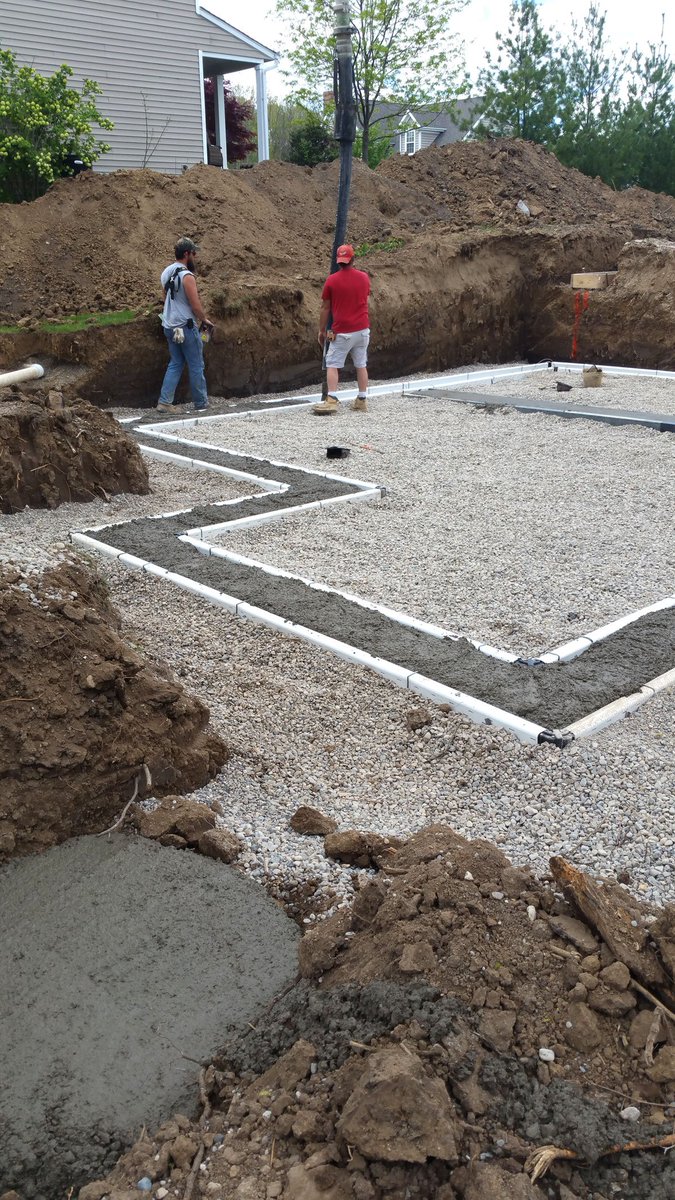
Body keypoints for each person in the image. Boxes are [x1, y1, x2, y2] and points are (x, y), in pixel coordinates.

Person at [156, 237, 213, 414]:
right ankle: (201, 403)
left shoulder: (166, 272)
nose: (195, 258)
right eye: (194, 254)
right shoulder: (187, 276)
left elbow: (166, 298)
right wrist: (204, 320)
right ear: (187, 254)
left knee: (176, 362)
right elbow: (195, 305)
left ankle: (164, 402)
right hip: (186, 326)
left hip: (170, 326)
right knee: (196, 364)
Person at [313, 244, 370, 415]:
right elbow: (364, 299)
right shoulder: (364, 278)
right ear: (353, 259)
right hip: (362, 330)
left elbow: (325, 308)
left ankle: (331, 399)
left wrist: (322, 330)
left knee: (332, 364)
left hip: (342, 331)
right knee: (361, 364)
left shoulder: (332, 280)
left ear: (339, 261)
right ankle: (362, 399)